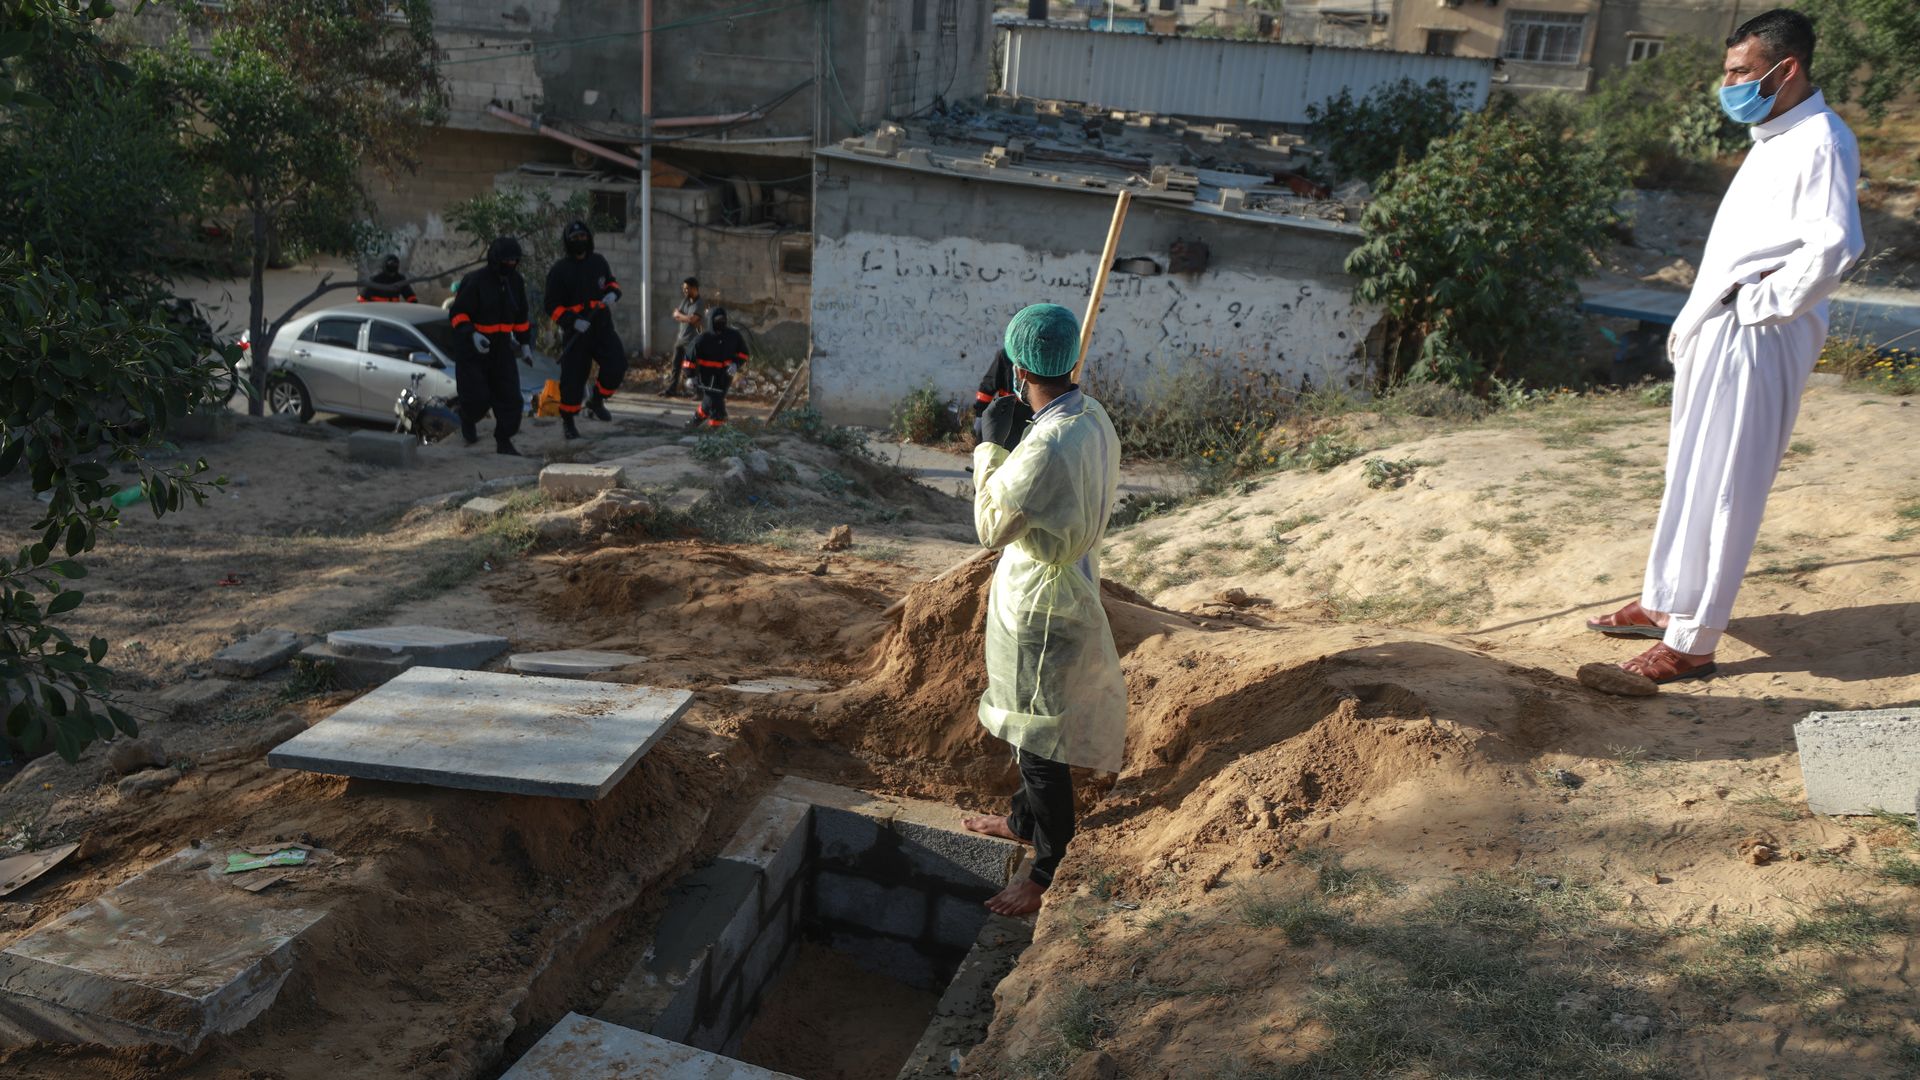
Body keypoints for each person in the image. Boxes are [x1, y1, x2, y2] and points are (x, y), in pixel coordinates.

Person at [1586, 8, 1863, 684]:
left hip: (1759, 333)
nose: (1729, 84)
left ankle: (1696, 638)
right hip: (1722, 325)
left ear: (1785, 68)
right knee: (1691, 472)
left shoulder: (1822, 139)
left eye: (1741, 72)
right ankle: (1665, 601)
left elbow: (1837, 245)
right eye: (1729, 71)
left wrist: (1764, 305)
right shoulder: (1775, 135)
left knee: (1730, 485)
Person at [959, 303, 1127, 917]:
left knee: (1037, 743)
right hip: (1070, 580)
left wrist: (990, 450)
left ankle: (1046, 869)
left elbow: (989, 526)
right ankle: (1022, 822)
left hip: (1039, 601)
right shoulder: (1092, 417)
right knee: (1038, 722)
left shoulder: (1043, 446)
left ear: (1019, 367)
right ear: (1072, 361)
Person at [448, 237, 535, 456]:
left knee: (512, 400)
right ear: (496, 259)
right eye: (507, 260)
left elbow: (521, 316)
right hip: (473, 349)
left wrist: (525, 344)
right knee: (477, 399)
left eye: (515, 260)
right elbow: (457, 314)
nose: (511, 264)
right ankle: (467, 417)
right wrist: (472, 335)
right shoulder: (475, 281)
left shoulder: (515, 282)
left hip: (501, 348)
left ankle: (503, 441)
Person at [543, 220, 628, 440]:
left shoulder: (598, 262)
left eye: (582, 237)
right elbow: (551, 306)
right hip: (577, 333)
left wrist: (613, 294)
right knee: (572, 380)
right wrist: (572, 321)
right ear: (568, 242)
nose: (579, 241)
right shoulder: (559, 271)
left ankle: (597, 400)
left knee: (617, 364)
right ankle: (568, 421)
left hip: (601, 327)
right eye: (574, 239)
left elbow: (611, 283)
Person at [687, 307, 749, 428]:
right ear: (711, 320)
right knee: (716, 401)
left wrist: (736, 364)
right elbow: (689, 357)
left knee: (711, 401)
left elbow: (744, 353)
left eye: (723, 319)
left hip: (725, 376)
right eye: (717, 320)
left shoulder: (733, 336)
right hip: (707, 376)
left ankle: (695, 421)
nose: (721, 322)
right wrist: (690, 376)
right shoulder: (702, 339)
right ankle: (716, 428)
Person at [661, 277, 704, 397]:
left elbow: (693, 319)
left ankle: (699, 392)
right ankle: (672, 389)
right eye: (683, 289)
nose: (684, 291)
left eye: (687, 288)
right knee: (675, 366)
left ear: (694, 289)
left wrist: (682, 316)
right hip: (681, 339)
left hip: (692, 340)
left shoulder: (699, 303)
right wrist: (685, 317)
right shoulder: (685, 300)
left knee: (693, 367)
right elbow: (675, 314)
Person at [971, 347, 1016, 441]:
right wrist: (980, 415)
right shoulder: (1007, 355)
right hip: (1007, 417)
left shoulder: (1047, 356)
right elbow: (987, 387)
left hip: (1031, 419)